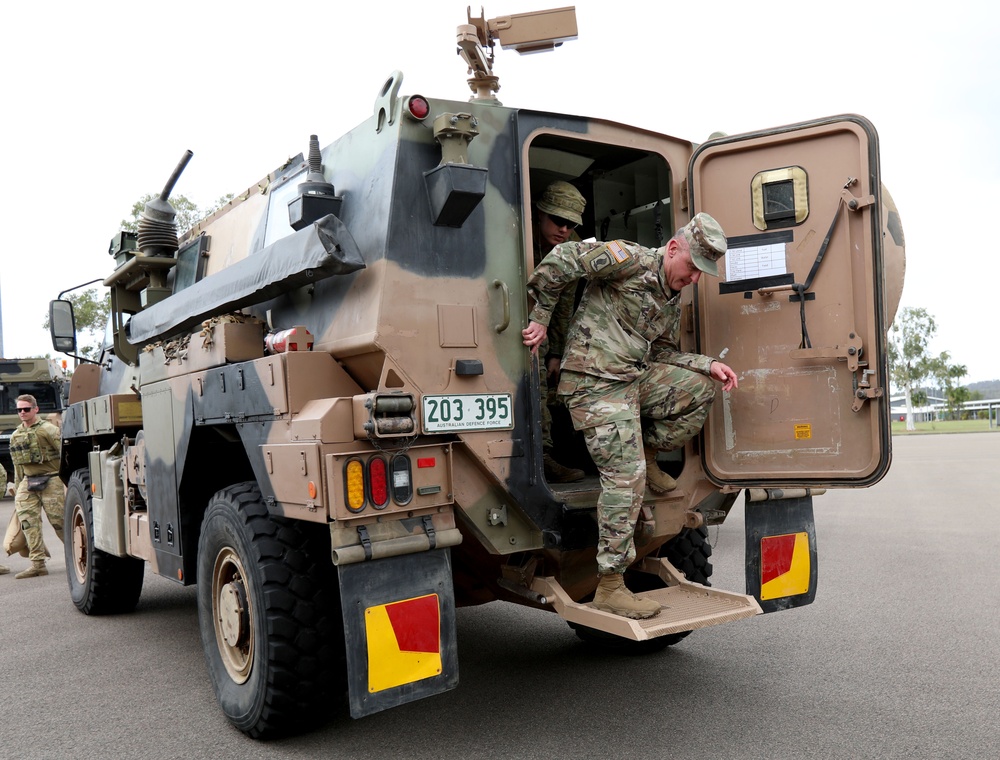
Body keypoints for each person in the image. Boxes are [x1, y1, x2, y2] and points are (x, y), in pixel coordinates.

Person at [522, 213, 738, 619]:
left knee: (700, 388)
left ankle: (650, 453)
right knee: (627, 476)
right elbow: (563, 258)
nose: (694, 279)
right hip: (593, 381)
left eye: (701, 274)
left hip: (631, 379)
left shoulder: (670, 296)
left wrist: (705, 364)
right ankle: (610, 585)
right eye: (692, 267)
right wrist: (542, 316)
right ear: (673, 249)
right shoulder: (628, 259)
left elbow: (660, 354)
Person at [531, 180, 587, 483]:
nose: (564, 229)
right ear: (539, 213)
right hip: (511, 314)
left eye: (571, 223)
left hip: (541, 325)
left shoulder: (571, 247)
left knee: (549, 382)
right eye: (558, 220)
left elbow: (564, 305)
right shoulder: (516, 233)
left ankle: (546, 458)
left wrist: (555, 353)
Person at [9, 394, 64, 579]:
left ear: (35, 409)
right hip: (28, 481)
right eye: (19, 410)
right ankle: (38, 564)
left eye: (26, 409)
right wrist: (18, 487)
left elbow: (65, 455)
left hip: (51, 479)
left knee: (60, 522)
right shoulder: (16, 435)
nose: (22, 413)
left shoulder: (48, 430)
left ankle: (84, 556)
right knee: (28, 523)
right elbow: (17, 465)